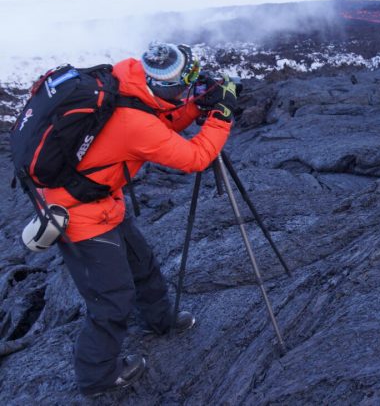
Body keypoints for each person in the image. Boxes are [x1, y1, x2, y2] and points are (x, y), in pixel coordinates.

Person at [44, 42, 238, 397]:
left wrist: (196, 108)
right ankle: (97, 376)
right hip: (81, 213)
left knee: (142, 265)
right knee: (111, 298)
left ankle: (160, 319)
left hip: (103, 201)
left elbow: (158, 122)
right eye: (189, 80)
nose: (192, 84)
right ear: (167, 83)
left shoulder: (129, 79)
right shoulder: (133, 123)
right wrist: (222, 115)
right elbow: (195, 157)